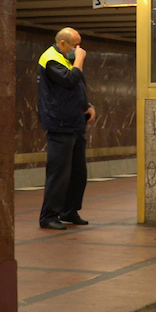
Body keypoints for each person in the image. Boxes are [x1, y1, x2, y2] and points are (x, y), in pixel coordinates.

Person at [37, 27, 96, 230]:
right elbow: (71, 80)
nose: (78, 49)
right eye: (75, 45)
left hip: (75, 123)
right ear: (63, 44)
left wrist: (88, 106)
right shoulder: (50, 59)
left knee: (78, 173)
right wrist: (80, 59)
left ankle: (69, 210)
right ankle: (49, 215)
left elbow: (77, 89)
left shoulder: (66, 59)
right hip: (60, 124)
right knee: (59, 173)